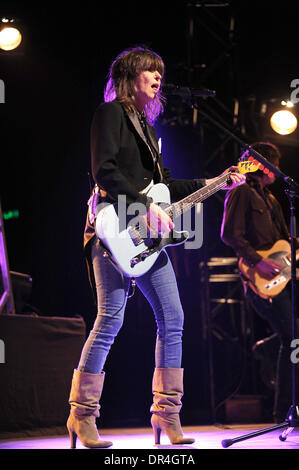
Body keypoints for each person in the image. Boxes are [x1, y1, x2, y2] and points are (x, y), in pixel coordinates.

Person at [66, 46, 244, 449]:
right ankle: (81, 415)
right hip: (113, 229)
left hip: (146, 237)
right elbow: (105, 171)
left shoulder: (147, 129)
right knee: (110, 317)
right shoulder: (109, 114)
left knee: (173, 317)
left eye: (160, 71)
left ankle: (166, 415)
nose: (157, 76)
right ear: (130, 76)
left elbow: (166, 188)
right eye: (150, 69)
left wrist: (214, 182)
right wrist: (147, 206)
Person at [221, 141, 296, 423]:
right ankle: (284, 413)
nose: (278, 170)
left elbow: (284, 242)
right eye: (274, 163)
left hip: (281, 276)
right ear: (265, 164)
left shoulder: (272, 199)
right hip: (259, 277)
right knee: (293, 338)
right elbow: (230, 235)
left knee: (292, 336)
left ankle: (267, 347)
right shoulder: (241, 192)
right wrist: (257, 261)